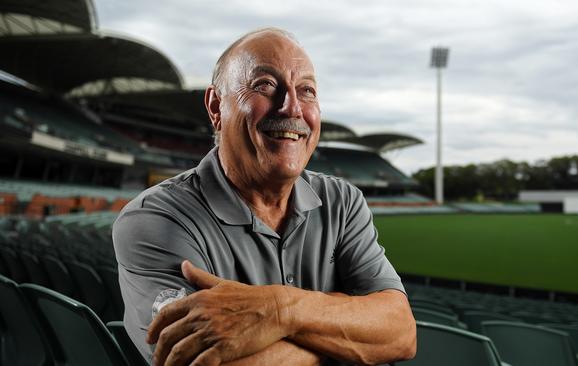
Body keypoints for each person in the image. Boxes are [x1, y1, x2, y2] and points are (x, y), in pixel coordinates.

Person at [112, 27, 416, 366]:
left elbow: (400, 331)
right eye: (265, 86)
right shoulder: (155, 219)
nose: (292, 108)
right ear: (216, 106)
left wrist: (277, 309)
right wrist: (342, 329)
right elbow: (204, 362)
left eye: (307, 91)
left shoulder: (342, 201)